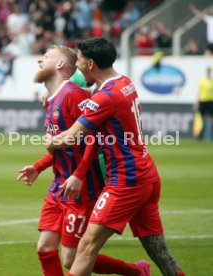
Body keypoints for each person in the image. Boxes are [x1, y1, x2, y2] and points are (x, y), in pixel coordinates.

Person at [47, 37, 186, 276]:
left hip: (126, 180)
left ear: (91, 64)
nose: (77, 67)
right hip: (147, 175)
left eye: (79, 62)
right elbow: (99, 96)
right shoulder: (123, 83)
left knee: (86, 246)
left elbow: (71, 137)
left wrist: (51, 140)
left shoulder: (105, 97)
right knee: (160, 253)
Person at [17, 44, 150, 276]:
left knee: (71, 259)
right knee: (45, 248)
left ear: (60, 64)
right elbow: (62, 147)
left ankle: (136, 271)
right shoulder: (50, 100)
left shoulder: (74, 95)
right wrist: (38, 167)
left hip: (81, 190)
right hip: (58, 187)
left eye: (46, 56)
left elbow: (94, 137)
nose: (40, 60)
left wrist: (78, 174)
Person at [194, 66, 213, 139]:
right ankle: (199, 136)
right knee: (200, 119)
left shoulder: (212, 82)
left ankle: (211, 136)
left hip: (211, 101)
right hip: (202, 101)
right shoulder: (202, 81)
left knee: (211, 119)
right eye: (207, 71)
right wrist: (197, 103)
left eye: (209, 71)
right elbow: (199, 92)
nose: (208, 72)